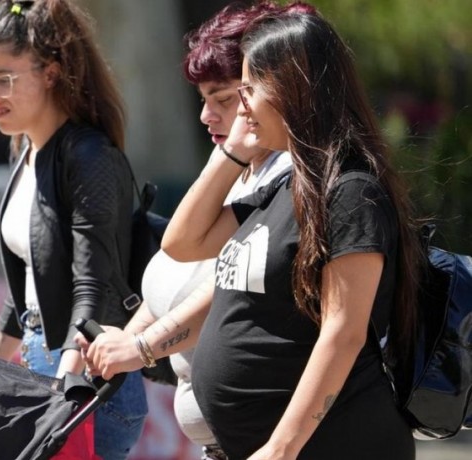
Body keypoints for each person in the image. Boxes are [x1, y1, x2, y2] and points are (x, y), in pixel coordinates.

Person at [158, 6, 422, 460]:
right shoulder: (288, 185)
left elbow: (343, 332)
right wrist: (236, 152)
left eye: (249, 91)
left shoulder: (351, 190)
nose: (240, 109)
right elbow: (183, 242)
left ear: (294, 89)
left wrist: (281, 447)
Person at [76, 2, 297, 459]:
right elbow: (175, 262)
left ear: (271, 89)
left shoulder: (289, 176)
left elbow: (226, 291)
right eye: (203, 100)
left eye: (222, 99)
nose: (206, 116)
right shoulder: (241, 169)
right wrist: (117, 340)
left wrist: (140, 349)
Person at [0, 1, 147, 459]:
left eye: (3, 78)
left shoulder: (88, 157)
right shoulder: (23, 148)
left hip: (88, 383)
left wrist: (67, 388)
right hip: (40, 362)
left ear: (50, 72)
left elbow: (94, 287)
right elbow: (26, 283)